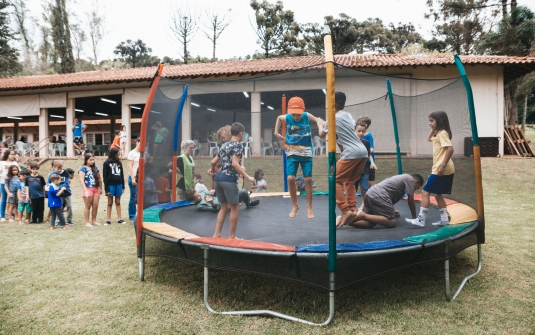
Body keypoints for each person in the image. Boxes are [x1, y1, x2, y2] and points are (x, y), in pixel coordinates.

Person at [318, 92, 368, 226]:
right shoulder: (348, 115)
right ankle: (352, 209)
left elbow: (322, 134)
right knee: (350, 182)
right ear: (344, 104)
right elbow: (348, 130)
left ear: (331, 104)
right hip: (363, 152)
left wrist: (319, 123)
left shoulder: (332, 118)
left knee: (335, 180)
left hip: (351, 153)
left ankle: (344, 210)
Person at [274, 96, 325, 219]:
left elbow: (318, 120)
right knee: (290, 178)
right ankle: (295, 205)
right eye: (294, 115)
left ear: (303, 110)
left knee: (307, 180)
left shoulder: (307, 116)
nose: (296, 117)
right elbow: (278, 118)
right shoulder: (288, 117)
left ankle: (309, 206)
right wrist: (276, 132)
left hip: (306, 152)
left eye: (298, 114)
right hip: (292, 152)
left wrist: (320, 125)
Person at [208, 122, 256, 239]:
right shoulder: (238, 145)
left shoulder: (224, 145)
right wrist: (248, 176)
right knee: (234, 208)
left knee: (224, 208)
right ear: (241, 134)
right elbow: (235, 163)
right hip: (228, 180)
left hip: (218, 179)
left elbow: (213, 162)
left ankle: (217, 234)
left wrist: (213, 171)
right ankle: (232, 236)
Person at [407, 111, 455, 227]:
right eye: (429, 121)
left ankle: (421, 219)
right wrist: (434, 127)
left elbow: (450, 149)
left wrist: (442, 165)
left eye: (432, 121)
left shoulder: (442, 133)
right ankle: (444, 220)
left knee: (425, 192)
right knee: (438, 194)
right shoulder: (439, 133)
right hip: (446, 169)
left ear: (440, 121)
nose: (429, 123)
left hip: (441, 168)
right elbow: (428, 138)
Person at [343, 174, 424, 229]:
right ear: (416, 182)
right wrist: (414, 218)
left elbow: (389, 194)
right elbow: (410, 200)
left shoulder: (402, 179)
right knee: (391, 222)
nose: (415, 190)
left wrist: (392, 209)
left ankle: (345, 220)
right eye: (416, 188)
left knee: (369, 224)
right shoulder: (410, 179)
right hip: (378, 195)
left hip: (371, 193)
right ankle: (362, 215)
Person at [355, 121, 377, 211]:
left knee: (365, 188)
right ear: (355, 131)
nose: (361, 133)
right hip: (353, 170)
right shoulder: (351, 142)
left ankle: (364, 204)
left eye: (363, 131)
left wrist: (372, 162)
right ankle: (352, 206)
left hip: (364, 169)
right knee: (353, 188)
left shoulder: (366, 142)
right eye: (359, 131)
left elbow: (368, 155)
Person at [79, 153, 103, 227]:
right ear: (86, 160)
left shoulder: (96, 168)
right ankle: (87, 222)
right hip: (87, 189)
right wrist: (85, 190)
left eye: (93, 160)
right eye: (90, 160)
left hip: (96, 188)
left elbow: (99, 178)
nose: (92, 161)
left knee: (95, 205)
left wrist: (100, 188)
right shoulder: (83, 169)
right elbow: (81, 180)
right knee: (88, 205)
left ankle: (94, 221)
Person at [185, 188, 258, 212]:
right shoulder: (200, 206)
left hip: (224, 198)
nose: (199, 196)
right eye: (197, 197)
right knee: (239, 196)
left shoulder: (203, 194)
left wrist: (214, 191)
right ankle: (235, 204)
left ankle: (248, 202)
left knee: (243, 191)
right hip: (223, 206)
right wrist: (212, 203)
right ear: (193, 201)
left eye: (198, 194)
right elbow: (215, 209)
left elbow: (215, 194)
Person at [103, 148, 126, 225]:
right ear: (114, 154)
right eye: (118, 154)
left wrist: (123, 186)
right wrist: (106, 189)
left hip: (118, 184)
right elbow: (105, 177)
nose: (119, 156)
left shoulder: (119, 163)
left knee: (118, 202)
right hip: (110, 185)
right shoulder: (106, 163)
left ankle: (119, 218)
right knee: (110, 202)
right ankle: (108, 219)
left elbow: (122, 175)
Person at [47, 160, 72, 226]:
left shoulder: (66, 173)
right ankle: (58, 221)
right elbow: (48, 183)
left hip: (67, 192)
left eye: (60, 168)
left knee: (69, 206)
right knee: (59, 207)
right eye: (57, 168)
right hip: (58, 193)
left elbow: (67, 182)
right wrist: (57, 189)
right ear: (54, 167)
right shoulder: (52, 174)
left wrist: (62, 187)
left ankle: (69, 220)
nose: (59, 170)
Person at [357, 116, 376, 188]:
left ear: (366, 125)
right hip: (361, 161)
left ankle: (375, 193)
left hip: (368, 162)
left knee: (368, 181)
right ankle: (363, 199)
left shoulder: (368, 135)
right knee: (361, 182)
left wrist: (364, 152)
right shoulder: (357, 135)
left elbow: (371, 148)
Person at [0, 150, 20, 222]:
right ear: (7, 154)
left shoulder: (15, 163)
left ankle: (15, 215)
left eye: (14, 154)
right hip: (4, 183)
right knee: (4, 199)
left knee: (14, 201)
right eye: (12, 154)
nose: (13, 156)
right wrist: (2, 176)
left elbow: (19, 172)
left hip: (14, 184)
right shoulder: (2, 163)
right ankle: (2, 216)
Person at [127, 138, 141, 220]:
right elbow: (130, 166)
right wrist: (133, 178)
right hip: (134, 177)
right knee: (133, 197)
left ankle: (140, 214)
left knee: (141, 197)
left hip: (142, 178)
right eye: (140, 143)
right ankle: (132, 216)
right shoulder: (132, 153)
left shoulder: (144, 153)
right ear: (136, 143)